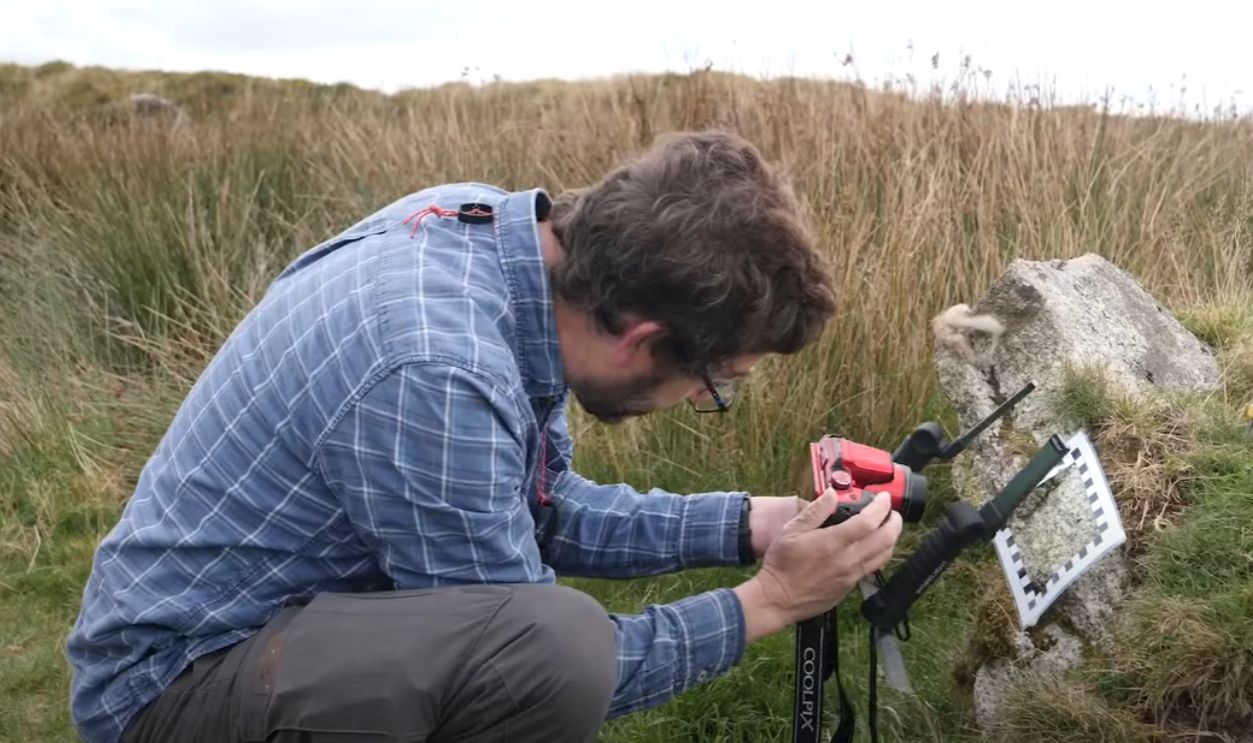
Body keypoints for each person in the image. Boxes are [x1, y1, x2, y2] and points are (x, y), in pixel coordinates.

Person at [66, 130, 904, 743]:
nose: (701, 398)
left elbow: (537, 509)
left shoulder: (492, 247)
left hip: (277, 631)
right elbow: (531, 662)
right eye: (714, 383)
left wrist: (749, 523)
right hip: (171, 689)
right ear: (642, 338)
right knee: (557, 642)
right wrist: (771, 600)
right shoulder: (439, 372)